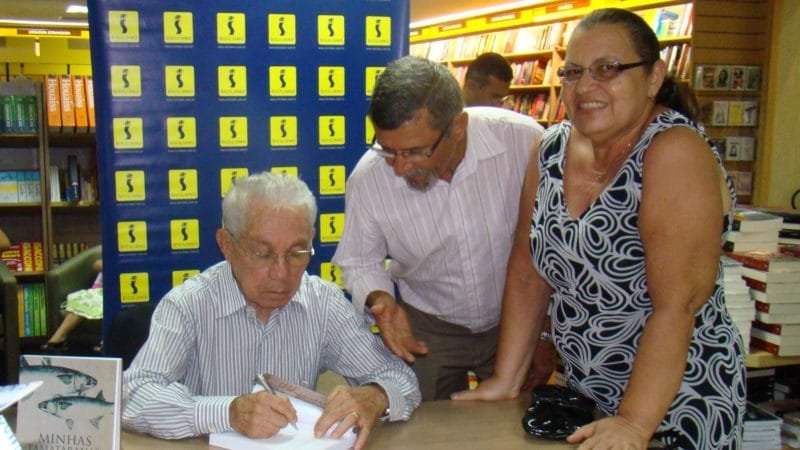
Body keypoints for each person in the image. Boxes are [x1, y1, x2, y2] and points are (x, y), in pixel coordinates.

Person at [453, 8, 745, 450]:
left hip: (674, 402)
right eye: (572, 72)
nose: (585, 87)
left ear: (653, 77)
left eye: (607, 69)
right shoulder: (550, 148)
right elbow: (528, 267)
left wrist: (633, 422)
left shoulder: (673, 152)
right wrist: (506, 378)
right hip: (590, 396)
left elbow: (678, 305)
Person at [123, 172, 420, 450]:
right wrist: (227, 412)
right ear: (226, 244)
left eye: (296, 252)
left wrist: (373, 397)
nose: (281, 273)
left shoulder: (323, 302)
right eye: (262, 253)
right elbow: (133, 394)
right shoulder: (189, 304)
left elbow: (398, 378)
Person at [332, 55, 549, 401]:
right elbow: (359, 261)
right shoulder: (370, 177)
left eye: (416, 151)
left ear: (458, 127)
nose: (400, 168)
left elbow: (552, 246)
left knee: (514, 421)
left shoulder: (524, 143)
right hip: (429, 328)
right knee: (426, 426)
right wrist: (383, 301)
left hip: (516, 319)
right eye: (389, 150)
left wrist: (546, 333)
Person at [40, 258, 103, 353]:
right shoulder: (113, 250)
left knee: (105, 303)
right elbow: (97, 264)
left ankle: (107, 342)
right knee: (83, 301)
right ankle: (58, 339)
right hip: (99, 291)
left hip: (119, 292)